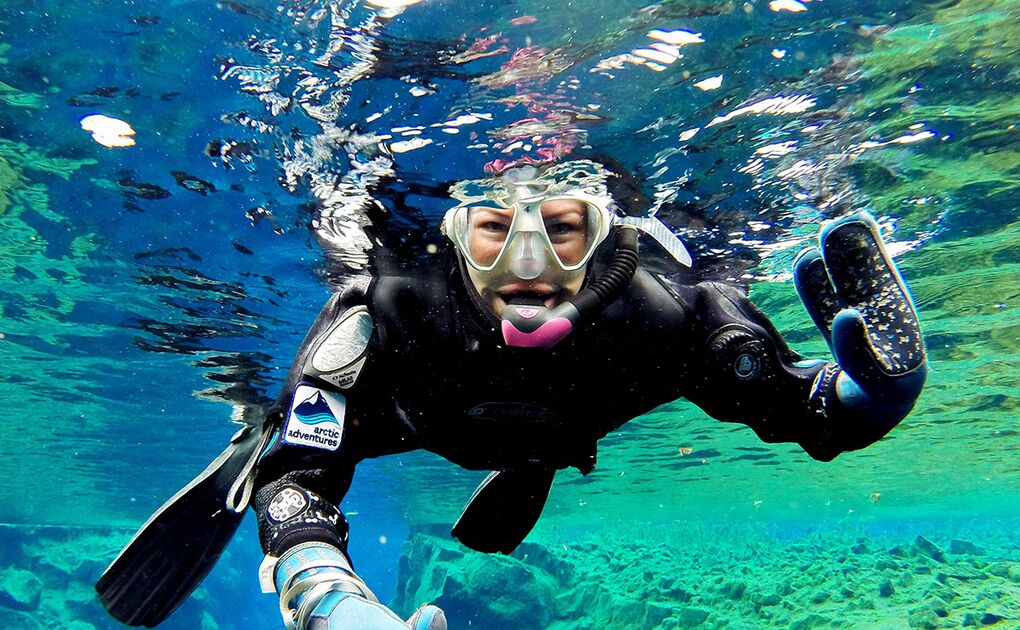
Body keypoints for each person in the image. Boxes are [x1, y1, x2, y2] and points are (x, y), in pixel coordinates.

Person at [96, 159, 927, 629]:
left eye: (561, 228)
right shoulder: (386, 309)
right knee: (291, 435)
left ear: (607, 234)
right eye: (496, 227)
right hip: (407, 415)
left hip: (547, 436)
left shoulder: (666, 314)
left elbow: (793, 405)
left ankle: (533, 459)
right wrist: (328, 597)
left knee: (538, 441)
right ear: (454, 234)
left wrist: (864, 402)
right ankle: (253, 421)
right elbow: (301, 479)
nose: (529, 264)